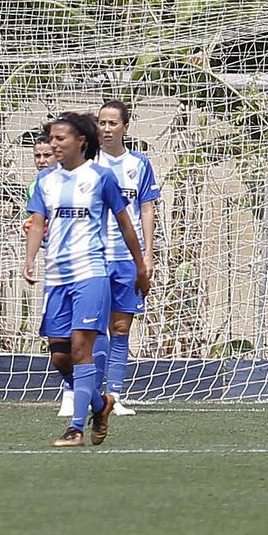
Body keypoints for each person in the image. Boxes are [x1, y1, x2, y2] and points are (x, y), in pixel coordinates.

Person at [23, 112, 150, 447]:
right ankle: (99, 404)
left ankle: (76, 428)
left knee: (82, 349)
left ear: (80, 141)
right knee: (60, 356)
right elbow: (37, 222)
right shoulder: (46, 182)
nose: (53, 144)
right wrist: (30, 259)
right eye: (51, 138)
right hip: (57, 277)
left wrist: (140, 266)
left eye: (60, 138)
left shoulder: (100, 177)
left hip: (92, 273)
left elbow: (125, 223)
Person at [94, 100, 161, 416]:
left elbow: (146, 209)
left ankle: (114, 396)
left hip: (127, 259)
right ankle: (86, 393)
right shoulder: (88, 163)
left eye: (112, 123)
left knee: (120, 328)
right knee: (92, 328)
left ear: (125, 127)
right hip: (93, 257)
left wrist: (147, 255)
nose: (106, 129)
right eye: (101, 123)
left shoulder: (139, 163)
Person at [20, 131, 77, 416]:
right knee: (59, 347)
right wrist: (34, 242)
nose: (42, 160)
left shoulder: (86, 176)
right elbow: (35, 223)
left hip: (88, 268)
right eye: (38, 156)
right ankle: (72, 386)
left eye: (48, 154)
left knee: (89, 335)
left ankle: (99, 390)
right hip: (56, 270)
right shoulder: (38, 185)